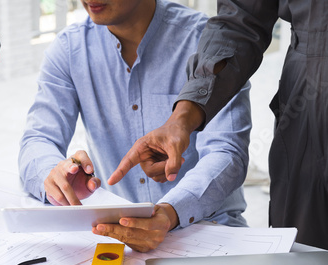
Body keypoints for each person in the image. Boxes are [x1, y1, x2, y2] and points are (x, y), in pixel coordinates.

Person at [19, 0, 251, 253]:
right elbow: (38, 139)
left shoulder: (207, 42)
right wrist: (54, 175)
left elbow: (227, 153)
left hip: (208, 230)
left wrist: (171, 212)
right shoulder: (69, 49)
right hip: (119, 237)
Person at [108, 0, 328, 251]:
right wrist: (180, 120)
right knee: (305, 263)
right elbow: (241, 21)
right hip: (309, 112)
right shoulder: (72, 47)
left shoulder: (188, 31)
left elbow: (226, 151)